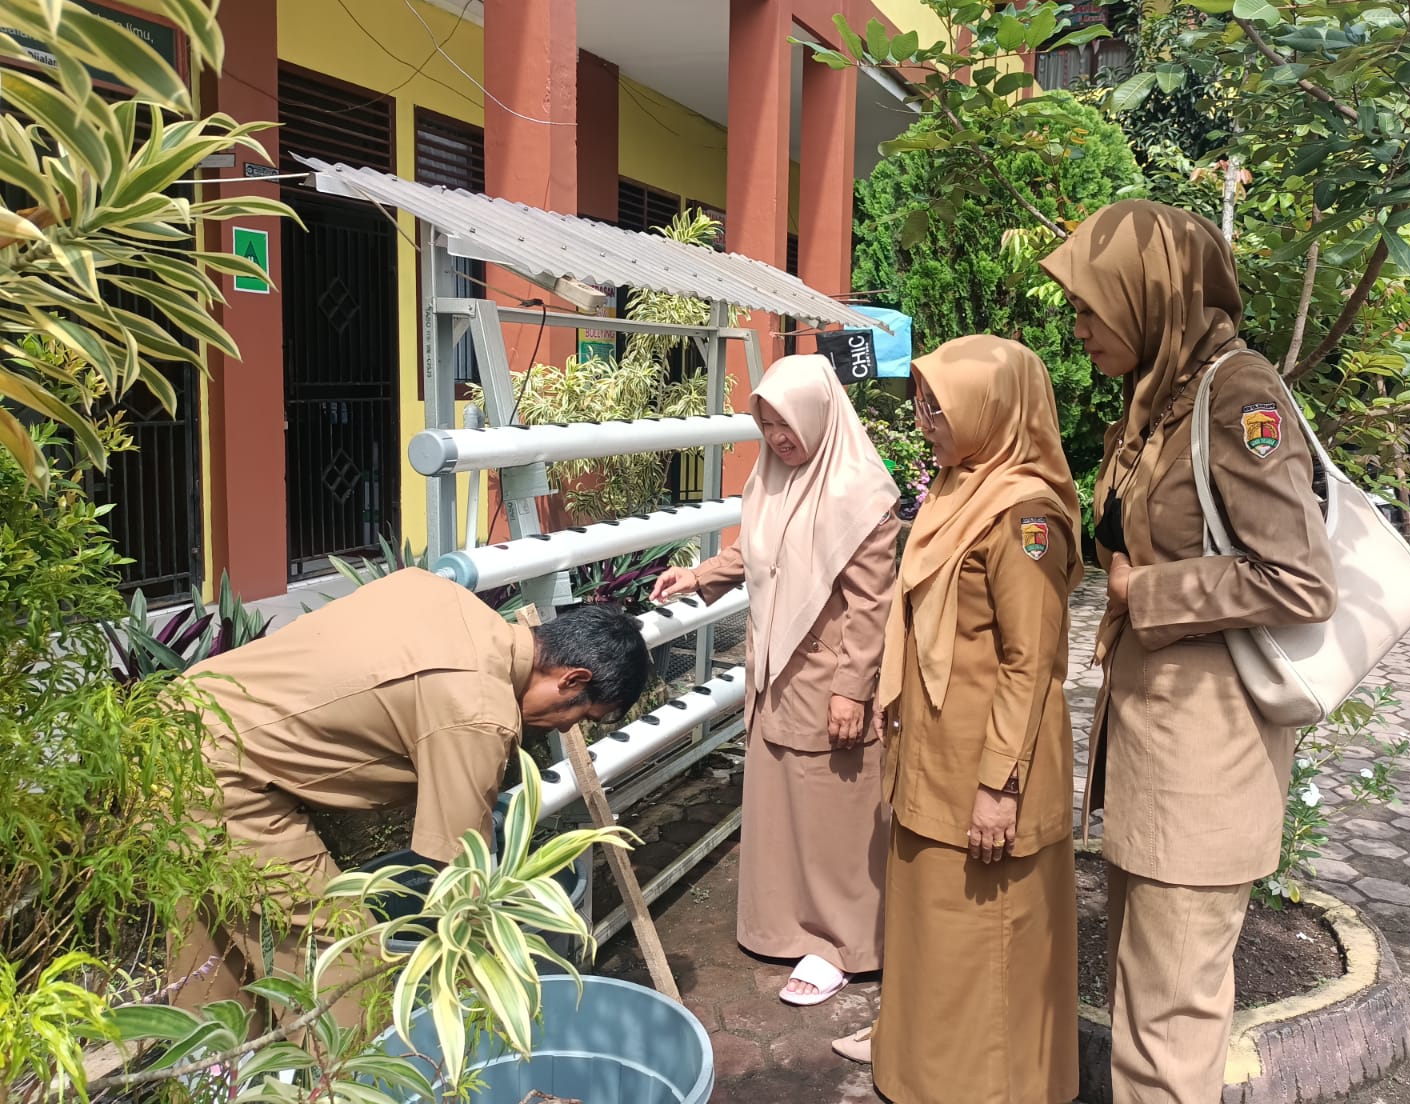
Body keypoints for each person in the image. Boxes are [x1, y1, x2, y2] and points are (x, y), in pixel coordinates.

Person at [1040, 199, 1337, 1104]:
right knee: (1145, 998)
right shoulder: (1156, 398)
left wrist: (1146, 593)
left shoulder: (1240, 397)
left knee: (1171, 1024)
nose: (1081, 326)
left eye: (1094, 305)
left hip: (1205, 761)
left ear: (1152, 294)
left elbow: (1299, 578)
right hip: (1149, 747)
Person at [168, 568, 651, 1019]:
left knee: (210, 967)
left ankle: (214, 1077)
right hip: (222, 780)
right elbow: (459, 871)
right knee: (344, 964)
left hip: (166, 729)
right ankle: (348, 1082)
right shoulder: (480, 711)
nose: (569, 727)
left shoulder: (443, 596)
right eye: (582, 716)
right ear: (572, 679)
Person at [867, 335, 1083, 1104]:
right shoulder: (958, 489)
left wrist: (1000, 783)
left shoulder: (1025, 515)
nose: (925, 419)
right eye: (921, 401)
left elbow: (1034, 664)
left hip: (990, 767)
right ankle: (924, 1075)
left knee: (987, 945)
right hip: (935, 752)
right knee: (935, 935)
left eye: (941, 405)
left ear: (995, 411)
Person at [650, 354, 899, 1005]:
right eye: (768, 424)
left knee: (833, 817)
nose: (780, 438)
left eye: (787, 424)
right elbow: (754, 550)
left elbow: (872, 606)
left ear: (818, 415)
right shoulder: (772, 478)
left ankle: (842, 944)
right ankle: (789, 927)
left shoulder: (862, 495)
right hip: (773, 670)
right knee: (785, 809)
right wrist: (698, 577)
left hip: (829, 678)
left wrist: (852, 689)